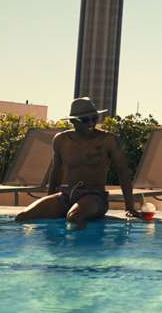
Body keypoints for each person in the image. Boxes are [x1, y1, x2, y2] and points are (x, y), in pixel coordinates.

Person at [15, 97, 145, 228]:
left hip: (95, 197)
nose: (91, 123)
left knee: (74, 217)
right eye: (85, 120)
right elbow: (56, 171)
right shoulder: (61, 140)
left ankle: (81, 248)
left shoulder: (108, 140)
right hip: (66, 195)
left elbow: (123, 172)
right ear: (73, 121)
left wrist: (130, 207)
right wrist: (51, 200)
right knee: (22, 217)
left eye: (94, 118)